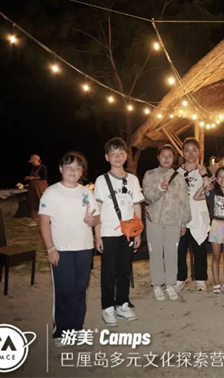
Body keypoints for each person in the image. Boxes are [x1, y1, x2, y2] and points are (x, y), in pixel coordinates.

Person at [38, 152, 99, 347]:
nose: (73, 171)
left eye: (78, 168)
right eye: (69, 167)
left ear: (82, 172)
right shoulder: (51, 192)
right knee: (64, 289)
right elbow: (44, 222)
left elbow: (97, 218)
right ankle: (61, 331)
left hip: (84, 248)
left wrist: (92, 220)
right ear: (60, 169)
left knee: (80, 289)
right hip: (61, 250)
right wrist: (50, 248)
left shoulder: (86, 192)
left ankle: (76, 328)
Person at [94, 137, 145, 326]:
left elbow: (137, 207)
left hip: (129, 233)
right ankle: (107, 307)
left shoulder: (132, 179)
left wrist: (138, 232)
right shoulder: (101, 180)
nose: (117, 157)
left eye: (121, 153)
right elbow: (97, 210)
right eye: (113, 153)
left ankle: (122, 304)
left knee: (125, 269)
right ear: (107, 157)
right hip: (108, 233)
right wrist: (97, 235)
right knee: (109, 272)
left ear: (126, 156)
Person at [142, 144, 191, 302]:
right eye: (163, 156)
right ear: (158, 157)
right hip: (154, 220)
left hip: (173, 221)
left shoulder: (179, 177)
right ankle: (157, 284)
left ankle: (170, 283)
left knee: (172, 253)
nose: (166, 159)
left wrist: (184, 222)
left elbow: (184, 201)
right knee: (155, 252)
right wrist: (160, 189)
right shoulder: (150, 174)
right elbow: (147, 197)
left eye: (169, 156)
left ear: (173, 158)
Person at [194, 166, 224, 295]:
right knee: (216, 256)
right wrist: (205, 185)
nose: (222, 179)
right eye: (219, 176)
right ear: (216, 179)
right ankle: (216, 284)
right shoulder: (212, 193)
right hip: (216, 226)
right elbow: (196, 197)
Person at [175, 138, 211, 292]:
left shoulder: (204, 170)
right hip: (181, 217)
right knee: (180, 250)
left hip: (199, 215)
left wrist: (204, 175)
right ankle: (180, 278)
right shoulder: (176, 173)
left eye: (194, 150)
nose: (190, 154)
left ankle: (201, 279)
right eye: (187, 151)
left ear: (199, 152)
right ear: (182, 153)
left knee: (200, 249)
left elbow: (210, 192)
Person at [25, 154, 49, 227]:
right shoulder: (33, 168)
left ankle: (46, 220)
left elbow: (44, 177)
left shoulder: (42, 167)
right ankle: (34, 221)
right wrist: (29, 178)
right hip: (33, 188)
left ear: (37, 160)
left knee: (43, 203)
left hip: (40, 187)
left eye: (33, 161)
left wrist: (33, 178)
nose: (32, 163)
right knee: (33, 203)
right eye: (31, 162)